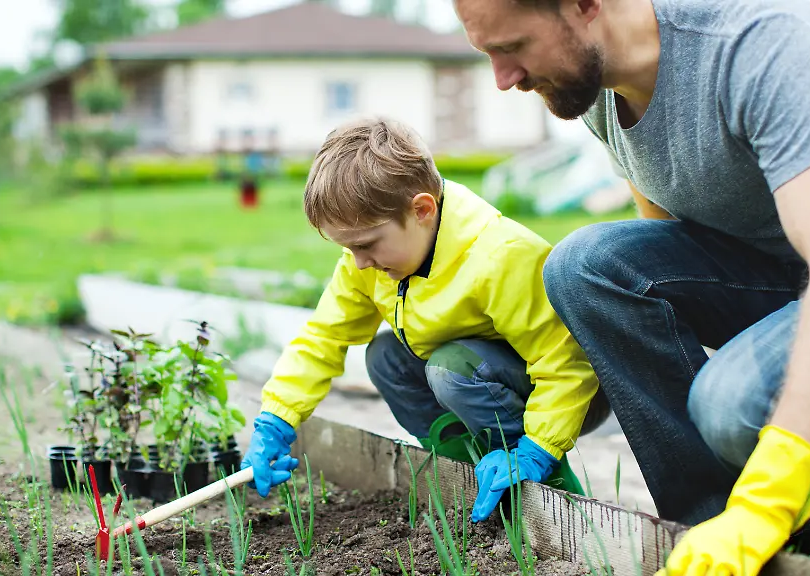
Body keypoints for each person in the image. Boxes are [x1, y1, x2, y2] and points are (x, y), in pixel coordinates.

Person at [454, 0, 810, 574]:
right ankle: (735, 545)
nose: (503, 79)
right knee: (584, 267)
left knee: (739, 400)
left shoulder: (753, 37)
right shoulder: (595, 83)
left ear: (584, 5)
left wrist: (767, 500)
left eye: (513, 47)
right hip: (789, 261)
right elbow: (668, 255)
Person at [239, 116, 610, 522]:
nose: (359, 262)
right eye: (349, 249)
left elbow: (565, 364)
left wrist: (539, 449)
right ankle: (463, 474)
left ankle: (545, 487)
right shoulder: (366, 264)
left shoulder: (499, 256)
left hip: (569, 392)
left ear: (421, 210)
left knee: (450, 368)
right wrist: (276, 419)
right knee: (384, 357)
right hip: (479, 377)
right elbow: (323, 337)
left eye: (365, 245)